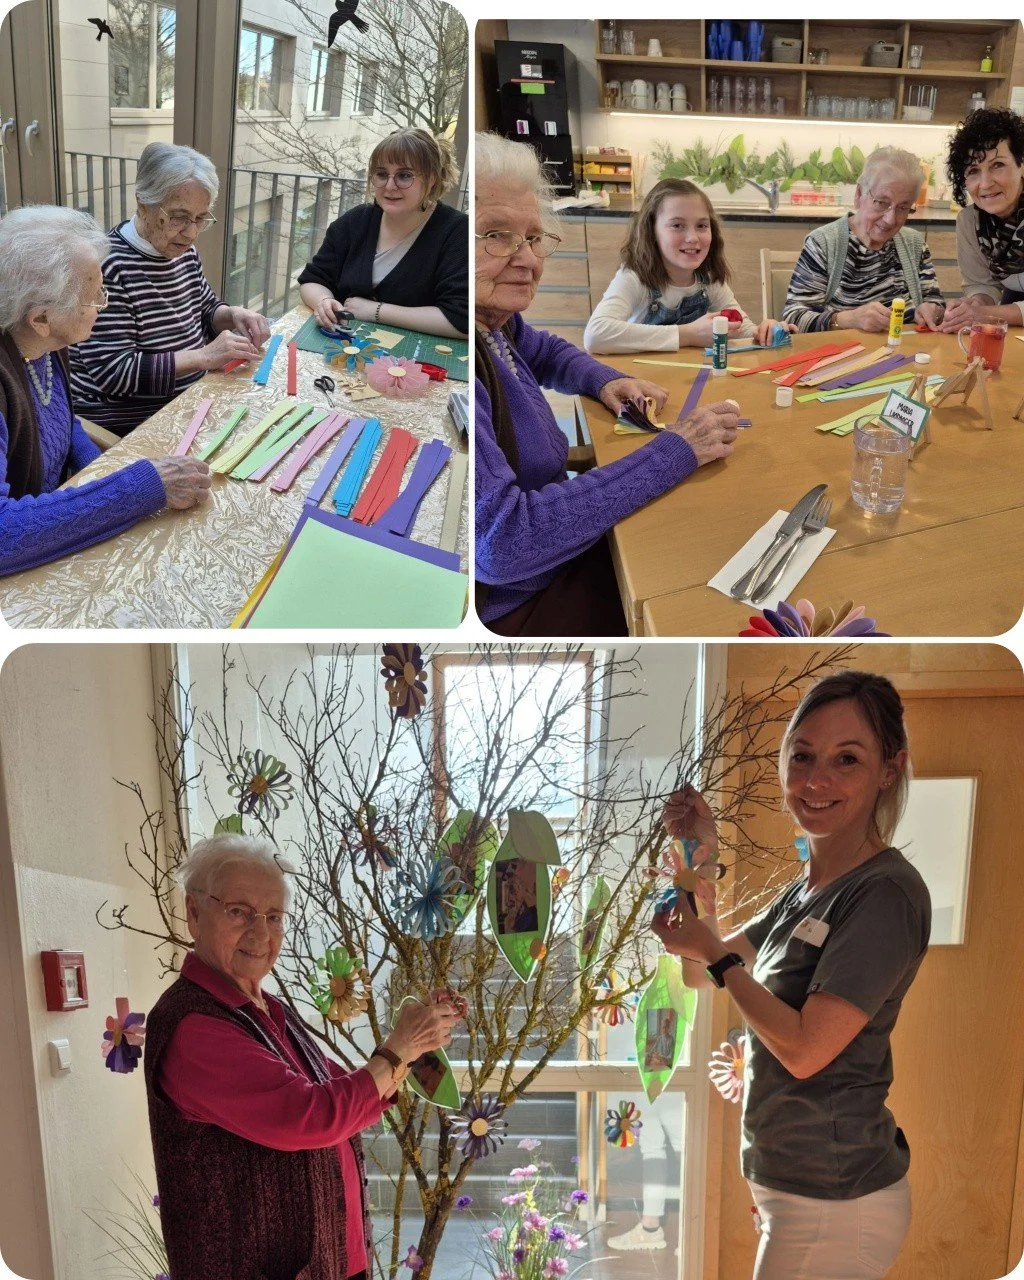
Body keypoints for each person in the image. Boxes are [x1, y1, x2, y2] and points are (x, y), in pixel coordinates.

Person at [651, 673, 931, 1280]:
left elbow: (806, 1050)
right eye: (801, 755)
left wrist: (718, 959)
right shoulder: (804, 893)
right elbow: (703, 973)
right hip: (795, 1191)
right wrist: (701, 848)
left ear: (889, 769)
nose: (815, 779)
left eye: (846, 759)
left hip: (836, 1197)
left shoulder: (884, 895)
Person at [145, 833, 461, 1280]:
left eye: (274, 916)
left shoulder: (270, 1011)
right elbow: (312, 1116)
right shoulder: (192, 1026)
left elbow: (351, 1098)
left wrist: (417, 1041)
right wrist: (398, 1048)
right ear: (194, 913)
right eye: (239, 912)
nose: (260, 932)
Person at [474, 133, 741, 637]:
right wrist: (675, 449)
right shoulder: (462, 363)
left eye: (533, 238)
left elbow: (546, 351)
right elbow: (505, 541)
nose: (528, 259)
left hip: (557, 552)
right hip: (528, 597)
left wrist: (604, 380)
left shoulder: (493, 323)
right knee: (706, 587)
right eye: (496, 235)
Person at [0, 205, 212, 576]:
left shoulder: (43, 345)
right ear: (41, 319)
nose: (104, 304)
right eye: (95, 296)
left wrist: (102, 470)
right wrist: (138, 487)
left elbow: (63, 427)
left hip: (51, 509)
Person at [70, 142, 271, 436]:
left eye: (201, 218)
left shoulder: (181, 251)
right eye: (178, 217)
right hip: (129, 421)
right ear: (143, 204)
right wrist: (203, 356)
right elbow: (116, 373)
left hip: (186, 401)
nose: (191, 233)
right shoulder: (106, 267)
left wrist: (231, 315)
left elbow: (203, 308)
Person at [584, 178, 794, 354]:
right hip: (642, 387)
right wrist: (690, 334)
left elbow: (741, 328)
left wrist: (765, 331)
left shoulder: (708, 280)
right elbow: (595, 335)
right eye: (677, 226)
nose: (693, 237)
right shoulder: (634, 277)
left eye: (702, 226)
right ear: (652, 231)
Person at [299, 128, 468, 338]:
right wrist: (323, 301)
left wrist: (375, 311)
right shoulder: (354, 222)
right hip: (343, 348)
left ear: (431, 178)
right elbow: (313, 279)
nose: (389, 186)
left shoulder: (457, 232)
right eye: (381, 174)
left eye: (404, 176)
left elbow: (463, 319)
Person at [783, 147, 946, 333]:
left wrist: (934, 311)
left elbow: (935, 303)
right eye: (881, 202)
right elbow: (794, 316)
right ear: (859, 195)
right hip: (842, 354)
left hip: (906, 353)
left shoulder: (915, 244)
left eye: (903, 207)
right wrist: (848, 319)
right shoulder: (824, 243)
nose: (890, 219)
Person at [939, 107, 1024, 332]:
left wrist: (985, 313)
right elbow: (982, 284)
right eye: (973, 170)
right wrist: (973, 305)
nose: (985, 184)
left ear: (1021, 164)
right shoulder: (969, 222)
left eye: (998, 165)